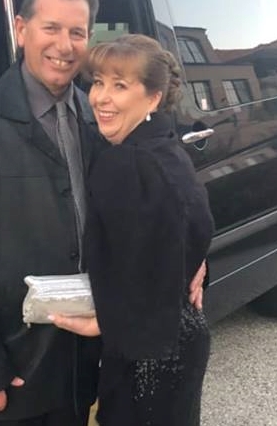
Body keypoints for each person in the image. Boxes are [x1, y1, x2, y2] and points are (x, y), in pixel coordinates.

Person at [0, 0, 207, 425]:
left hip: (84, 357)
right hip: (17, 364)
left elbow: (154, 203)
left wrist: (189, 256)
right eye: (51, 28)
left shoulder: (99, 117)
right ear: (21, 29)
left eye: (77, 32)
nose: (64, 45)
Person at [51, 34, 214, 426]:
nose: (101, 98)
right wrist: (193, 262)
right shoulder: (168, 148)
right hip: (183, 334)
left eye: (120, 86)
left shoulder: (124, 163)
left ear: (153, 98)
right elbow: (193, 225)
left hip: (146, 354)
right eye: (98, 82)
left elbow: (138, 261)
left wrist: (108, 320)